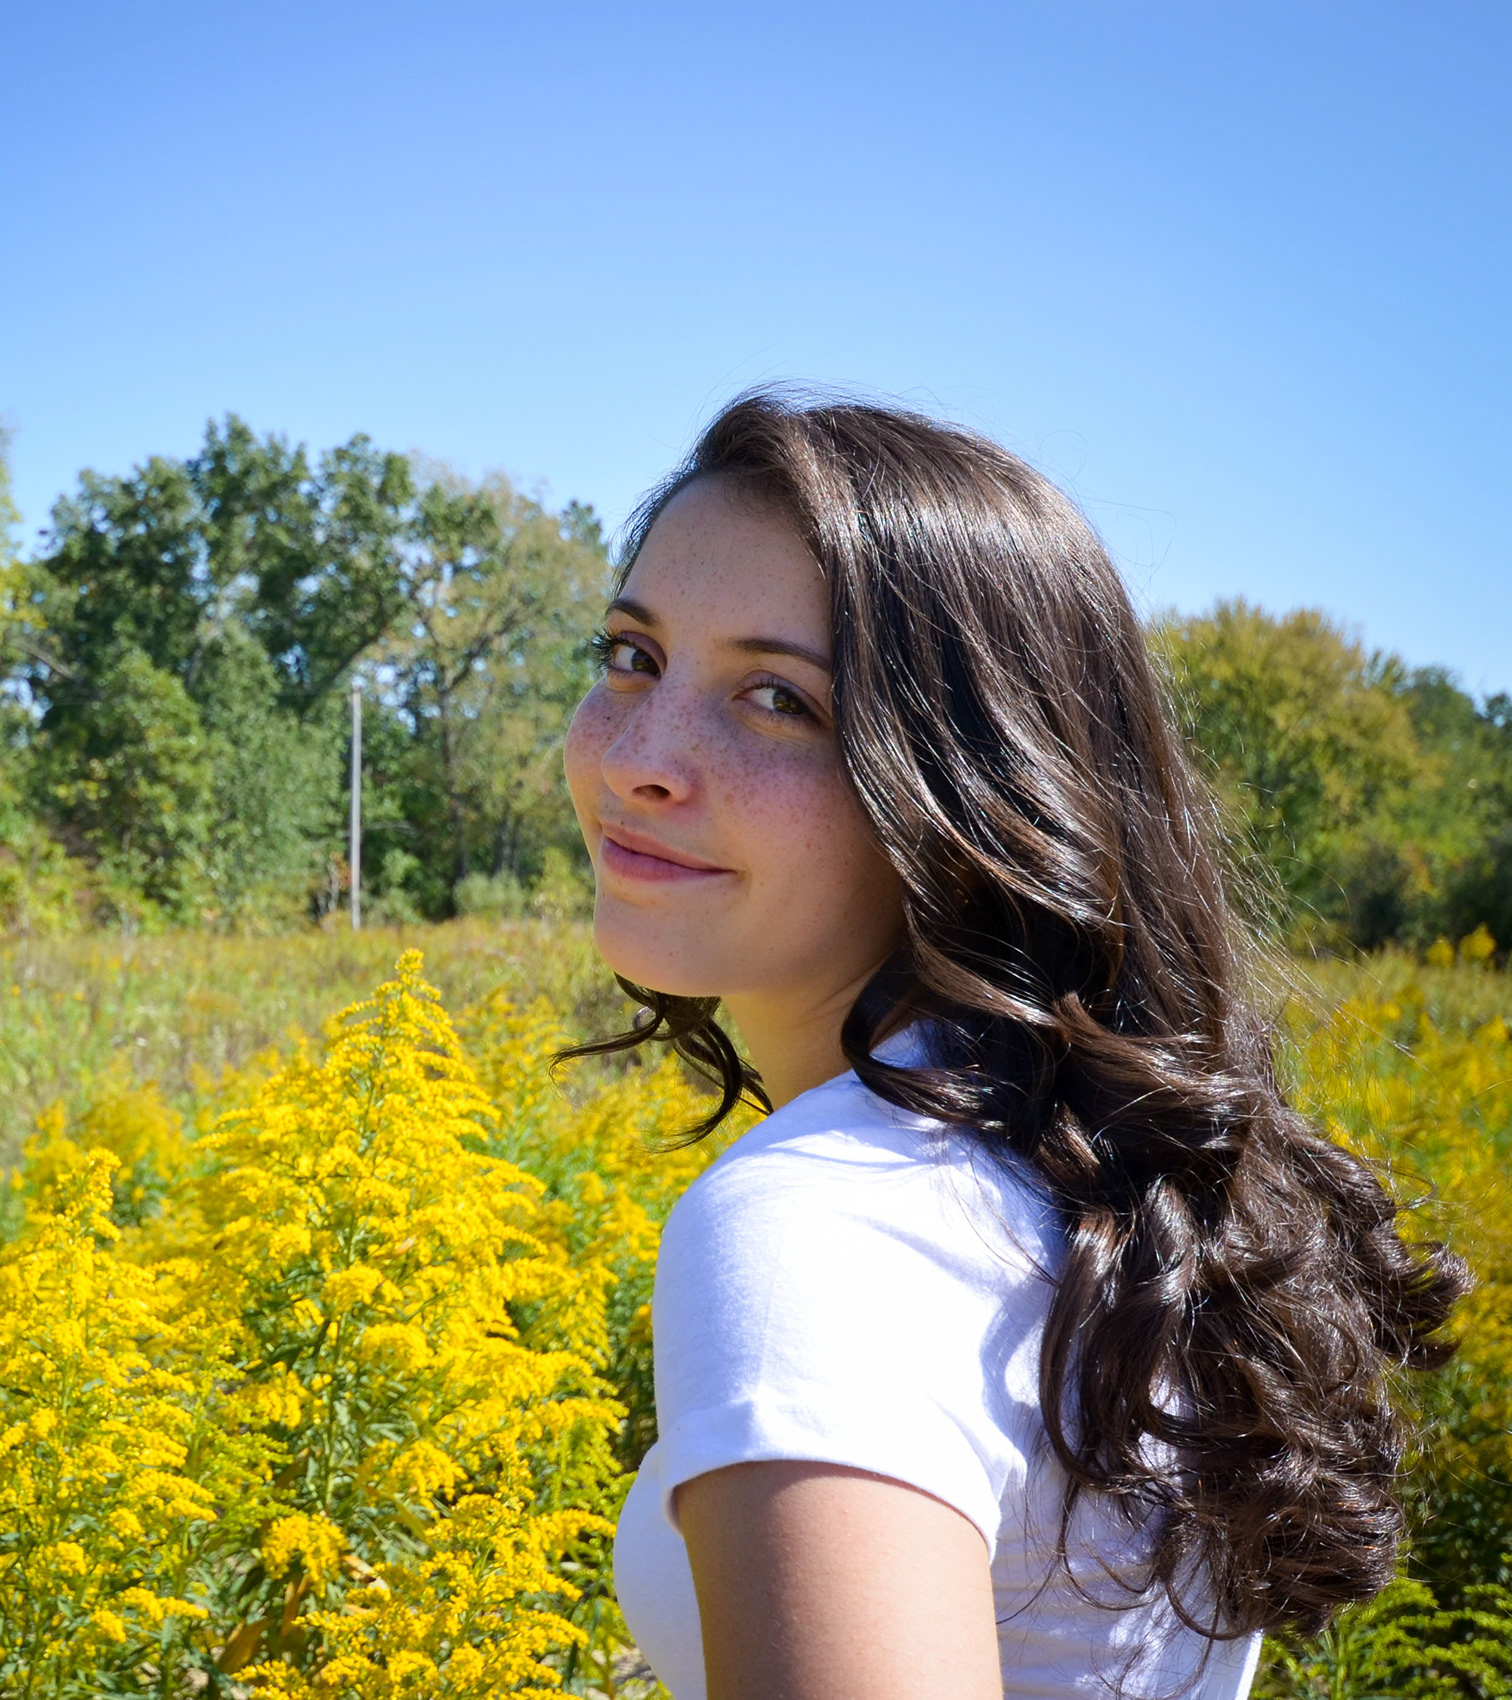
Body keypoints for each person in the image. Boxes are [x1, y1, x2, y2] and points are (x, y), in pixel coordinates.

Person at [559, 390, 1464, 1700]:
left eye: (777, 698)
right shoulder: (1072, 1178)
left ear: (977, 783)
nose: (640, 758)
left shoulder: (817, 1228)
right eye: (632, 655)